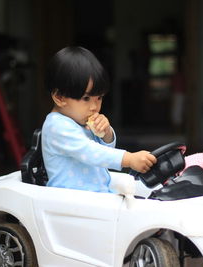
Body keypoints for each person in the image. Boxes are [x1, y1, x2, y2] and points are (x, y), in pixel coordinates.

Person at [42, 46, 157, 193]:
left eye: (99, 98)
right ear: (59, 97)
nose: (94, 107)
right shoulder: (57, 126)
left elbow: (105, 151)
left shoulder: (80, 121)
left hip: (96, 196)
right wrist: (129, 159)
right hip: (71, 203)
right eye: (86, 98)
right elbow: (91, 152)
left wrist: (106, 134)